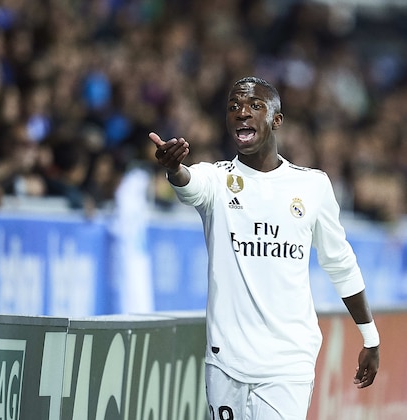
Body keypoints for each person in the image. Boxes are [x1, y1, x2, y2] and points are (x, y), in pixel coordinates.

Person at [149, 76, 380, 419]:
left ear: (276, 120)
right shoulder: (217, 180)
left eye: (255, 106)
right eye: (234, 107)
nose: (242, 113)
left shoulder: (312, 186)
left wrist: (370, 336)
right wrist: (174, 170)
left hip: (287, 364)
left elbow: (340, 263)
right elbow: (189, 185)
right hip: (225, 362)